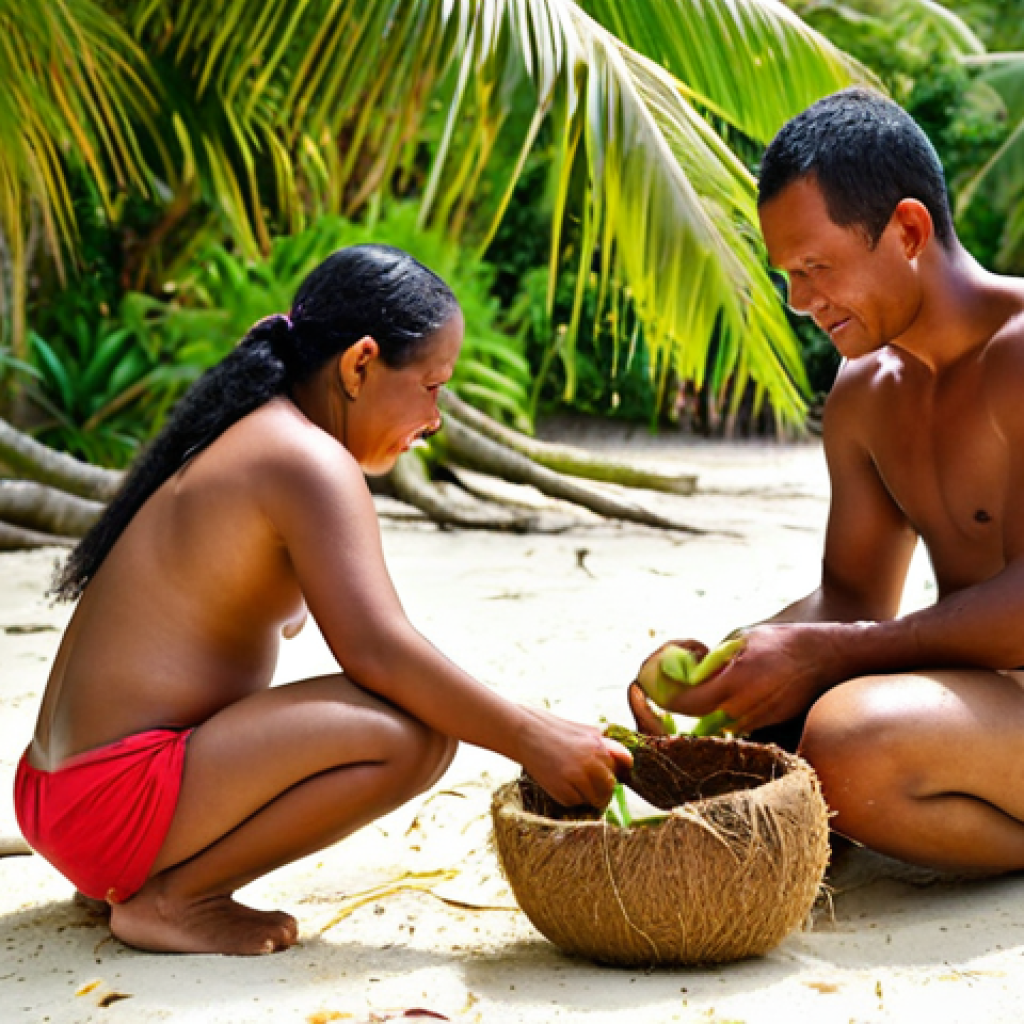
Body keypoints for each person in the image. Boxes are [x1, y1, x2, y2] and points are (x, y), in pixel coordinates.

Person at [16, 244, 631, 955]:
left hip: (50, 790)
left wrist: (532, 726)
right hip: (110, 806)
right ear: (360, 363)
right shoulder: (305, 459)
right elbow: (378, 651)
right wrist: (530, 737)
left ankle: (135, 878)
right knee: (416, 737)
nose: (436, 421)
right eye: (433, 388)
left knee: (418, 709)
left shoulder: (251, 431)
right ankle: (177, 898)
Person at [629, 88, 1024, 874]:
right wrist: (730, 668)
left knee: (847, 740)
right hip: (977, 699)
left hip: (996, 696)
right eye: (788, 275)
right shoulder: (865, 393)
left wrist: (831, 655)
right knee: (736, 742)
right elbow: (850, 601)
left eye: (816, 267)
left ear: (908, 230)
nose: (801, 301)